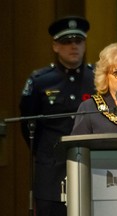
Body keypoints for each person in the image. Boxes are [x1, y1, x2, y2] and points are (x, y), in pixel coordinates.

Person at [19, 16, 96, 216]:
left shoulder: (97, 79)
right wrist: (46, 152)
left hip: (91, 165)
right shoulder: (40, 81)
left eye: (78, 41)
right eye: (66, 42)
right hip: (51, 170)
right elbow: (28, 126)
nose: (73, 46)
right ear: (55, 46)